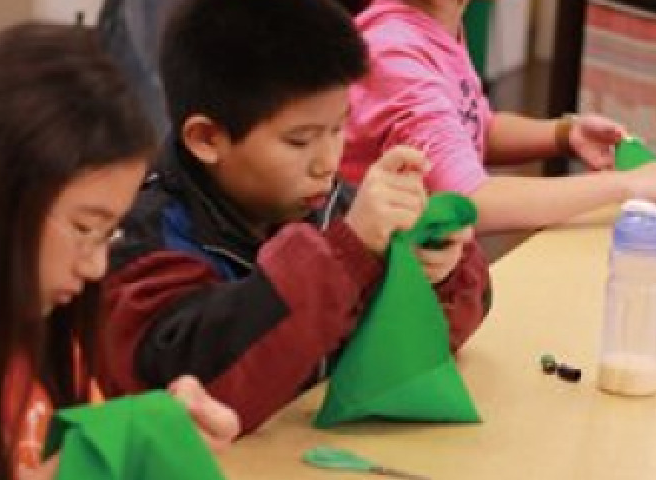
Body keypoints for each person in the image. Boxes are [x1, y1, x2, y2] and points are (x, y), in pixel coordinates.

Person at [102, 0, 491, 435]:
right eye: (300, 141)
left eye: (339, 129)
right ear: (207, 138)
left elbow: (418, 347)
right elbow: (198, 393)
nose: (328, 162)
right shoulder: (144, 243)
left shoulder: (328, 205)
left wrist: (436, 270)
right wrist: (346, 254)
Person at [0, 23, 238, 480]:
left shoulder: (43, 340)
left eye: (109, 234)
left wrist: (153, 428)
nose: (96, 267)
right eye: (84, 228)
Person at [339, 0, 656, 231]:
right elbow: (471, 199)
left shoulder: (435, 25)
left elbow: (476, 127)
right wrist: (627, 185)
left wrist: (564, 135)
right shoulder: (394, 49)